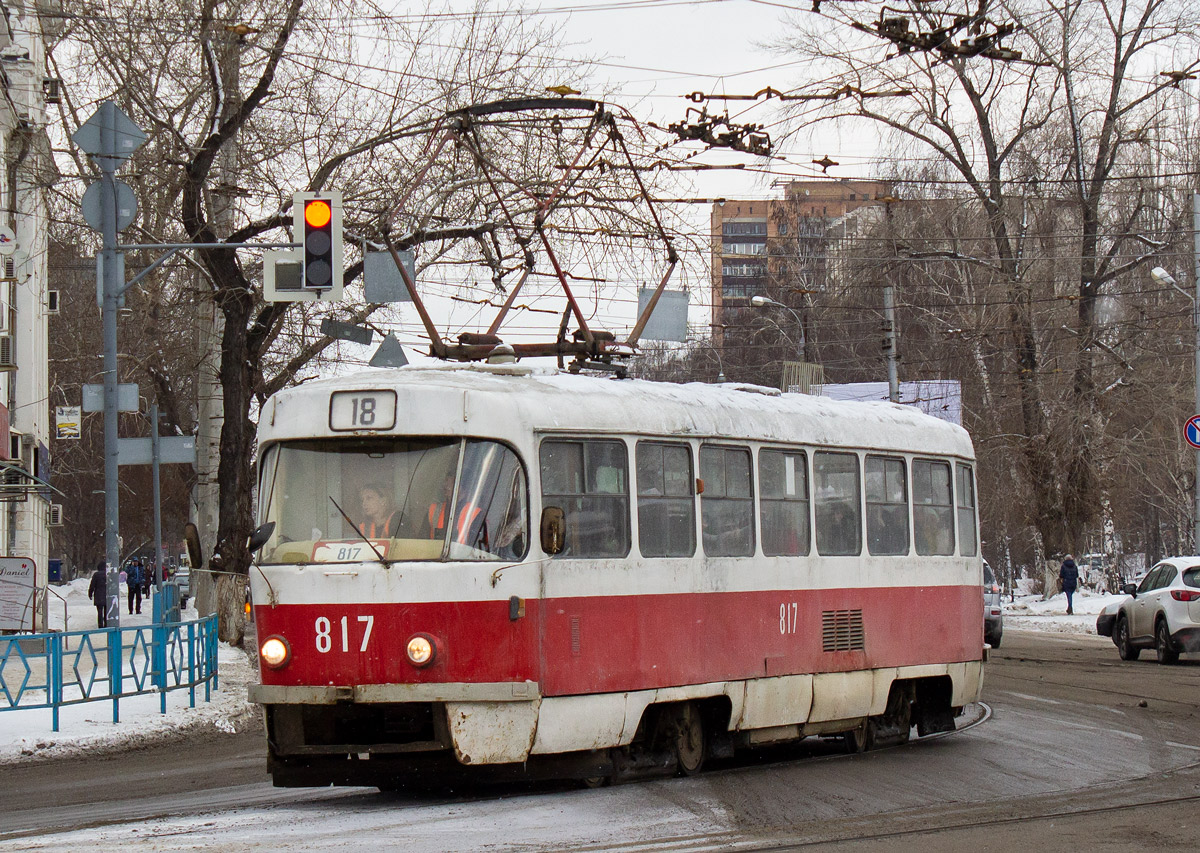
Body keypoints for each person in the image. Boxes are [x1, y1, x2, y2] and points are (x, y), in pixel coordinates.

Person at [87, 561, 107, 628]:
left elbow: (92, 585)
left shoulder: (96, 575)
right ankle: (106, 623)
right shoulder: (108, 574)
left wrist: (90, 593)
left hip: (98, 595)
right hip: (107, 595)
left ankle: (100, 624)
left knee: (100, 611)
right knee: (107, 610)